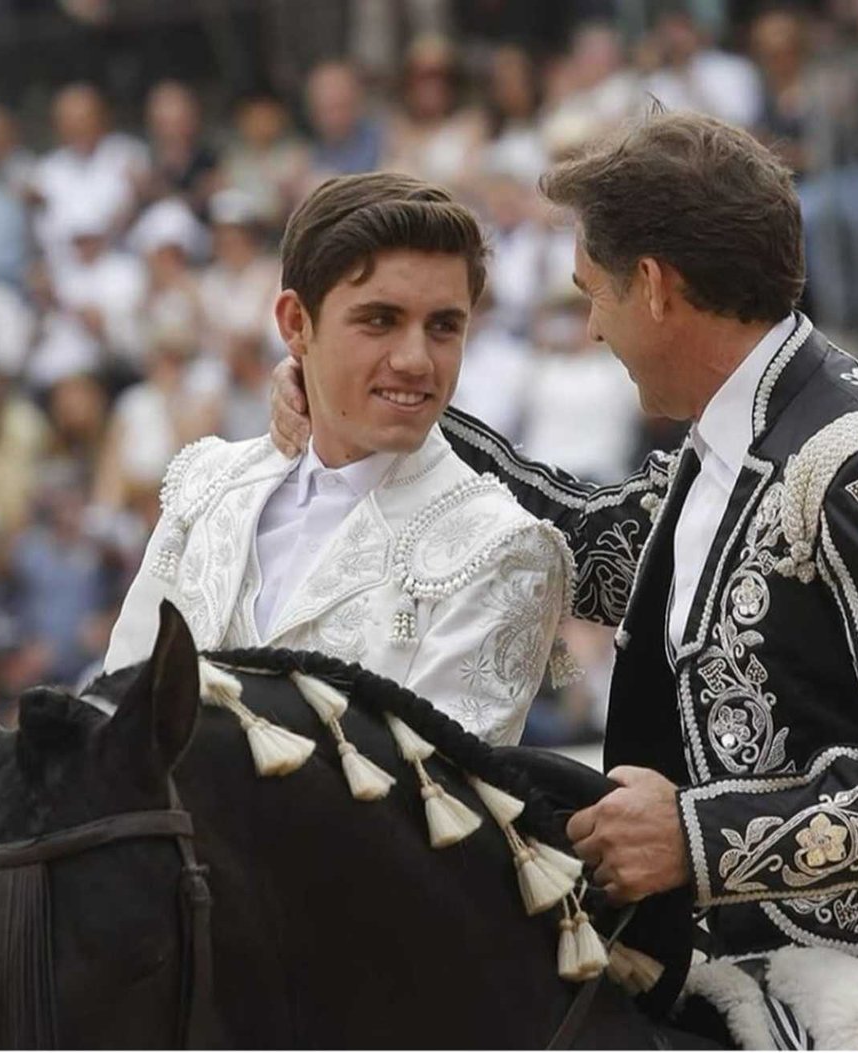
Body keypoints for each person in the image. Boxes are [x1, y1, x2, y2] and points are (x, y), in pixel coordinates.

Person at [270, 113, 858, 1047]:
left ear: (655, 287)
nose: (591, 327)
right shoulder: (733, 442)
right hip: (749, 982)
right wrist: (379, 403)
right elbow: (581, 541)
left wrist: (700, 836)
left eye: (595, 293)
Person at [105, 173, 573, 747]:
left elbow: (428, 812)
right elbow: (115, 714)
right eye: (380, 320)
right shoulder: (206, 485)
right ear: (296, 324)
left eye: (444, 327)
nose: (415, 360)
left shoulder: (503, 547)